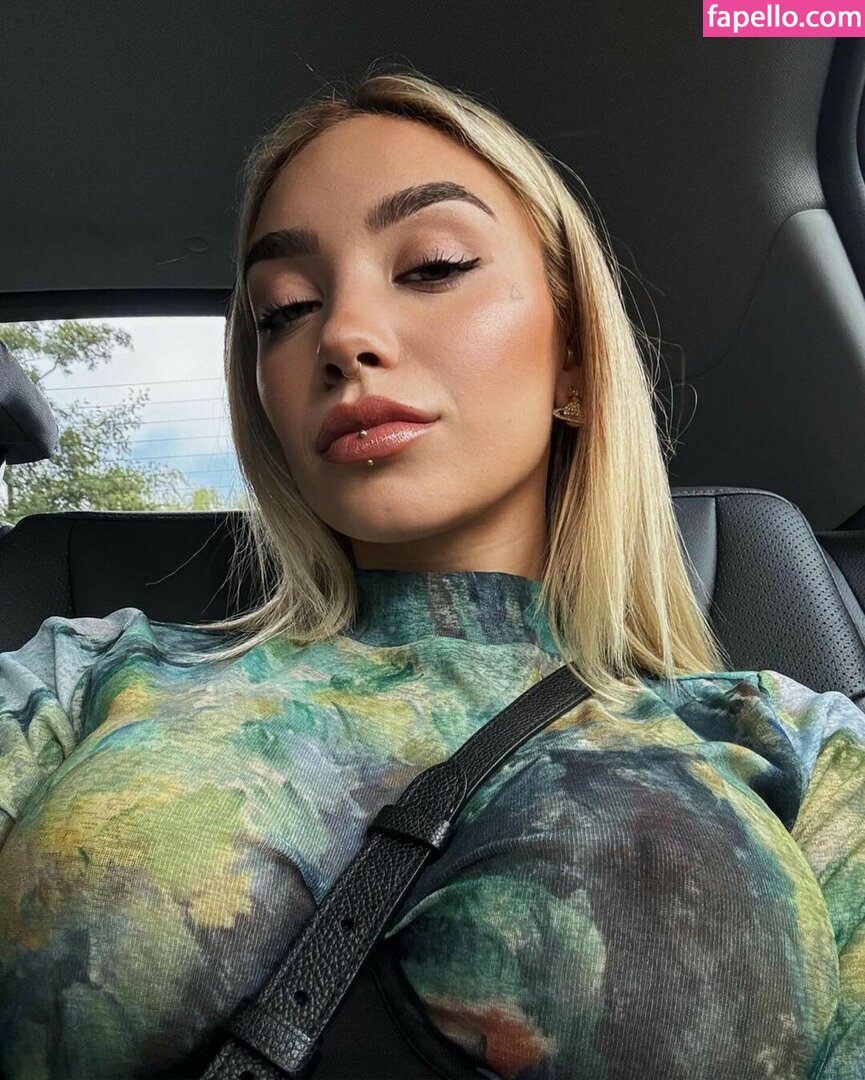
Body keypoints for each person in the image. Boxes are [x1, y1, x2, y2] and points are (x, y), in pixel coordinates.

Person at [0, 65, 862, 1080]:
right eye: (285, 309)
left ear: (575, 361)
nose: (342, 337)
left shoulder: (797, 748)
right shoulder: (80, 681)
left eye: (433, 265)